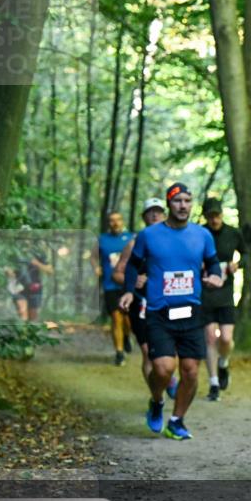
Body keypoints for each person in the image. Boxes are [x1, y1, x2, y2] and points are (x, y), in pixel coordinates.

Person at [120, 183, 222, 440]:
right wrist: (130, 290)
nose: (183, 205)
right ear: (169, 204)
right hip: (159, 312)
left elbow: (212, 263)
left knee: (190, 370)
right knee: (164, 369)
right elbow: (132, 265)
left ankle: (177, 421)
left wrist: (216, 277)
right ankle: (156, 400)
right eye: (178, 201)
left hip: (190, 312)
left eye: (187, 200)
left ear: (192, 204)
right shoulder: (149, 235)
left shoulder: (202, 235)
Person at [112, 198, 179, 400]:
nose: (154, 215)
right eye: (150, 212)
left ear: (165, 215)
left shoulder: (175, 241)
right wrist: (133, 281)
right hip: (142, 304)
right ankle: (156, 397)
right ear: (144, 217)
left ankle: (169, 377)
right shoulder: (134, 243)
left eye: (158, 211)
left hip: (169, 304)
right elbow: (117, 274)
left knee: (170, 349)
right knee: (148, 351)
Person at [200, 198, 247, 401]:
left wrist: (238, 264)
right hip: (205, 291)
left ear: (221, 214)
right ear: (205, 217)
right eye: (210, 216)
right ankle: (213, 383)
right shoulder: (199, 233)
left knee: (226, 338)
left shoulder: (233, 233)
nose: (214, 219)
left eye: (217, 215)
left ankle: (224, 363)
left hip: (226, 291)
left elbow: (246, 253)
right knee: (210, 337)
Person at [92, 212, 134, 365]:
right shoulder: (102, 240)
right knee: (116, 318)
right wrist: (96, 268)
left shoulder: (131, 238)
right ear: (108, 223)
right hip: (110, 285)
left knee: (128, 320)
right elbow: (93, 257)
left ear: (122, 221)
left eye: (118, 220)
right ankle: (119, 352)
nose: (115, 223)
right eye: (112, 221)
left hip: (128, 284)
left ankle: (127, 336)